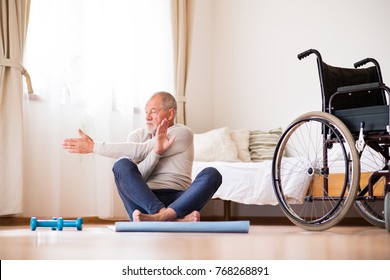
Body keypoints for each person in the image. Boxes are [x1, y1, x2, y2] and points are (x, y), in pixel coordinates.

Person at [63, 91, 222, 222]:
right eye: (146, 112)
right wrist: (156, 153)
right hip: (144, 199)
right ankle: (167, 216)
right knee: (122, 165)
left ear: (170, 113)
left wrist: (94, 147)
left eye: (153, 111)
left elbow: (141, 151)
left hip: (178, 199)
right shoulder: (137, 136)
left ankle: (163, 217)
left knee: (212, 174)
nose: (147, 117)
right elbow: (139, 177)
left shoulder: (182, 133)